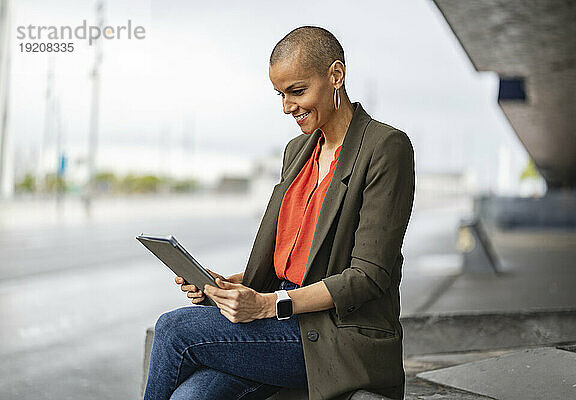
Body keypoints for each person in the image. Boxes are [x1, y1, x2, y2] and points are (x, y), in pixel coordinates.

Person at [143, 25, 415, 400]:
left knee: (174, 331)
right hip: (282, 324)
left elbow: (368, 277)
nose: (287, 107)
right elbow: (290, 263)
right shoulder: (297, 151)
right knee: (191, 397)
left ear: (336, 75)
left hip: (339, 334)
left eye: (297, 91)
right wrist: (226, 287)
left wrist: (269, 306)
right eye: (280, 94)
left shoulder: (385, 146)